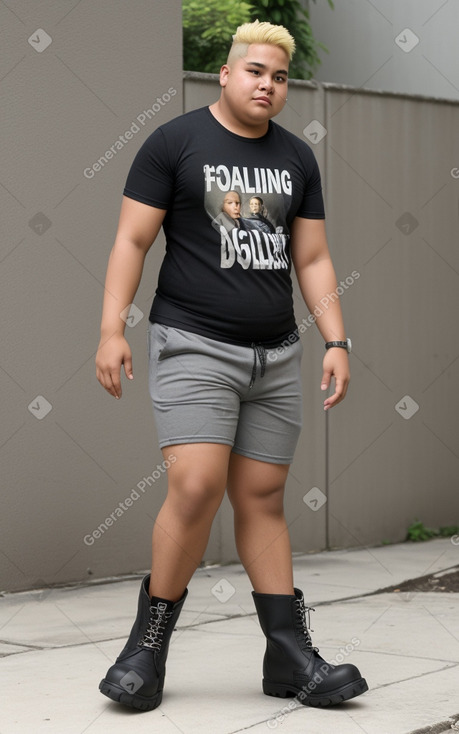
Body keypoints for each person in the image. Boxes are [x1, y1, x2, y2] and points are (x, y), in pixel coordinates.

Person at [95, 19, 368, 712]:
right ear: (224, 73)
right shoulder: (175, 143)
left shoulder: (297, 159)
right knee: (195, 486)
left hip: (275, 354)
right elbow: (132, 239)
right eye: (254, 71)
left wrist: (335, 341)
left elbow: (310, 258)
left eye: (278, 77)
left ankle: (288, 657)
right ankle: (145, 646)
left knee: (263, 498)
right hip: (191, 342)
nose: (266, 85)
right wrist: (111, 329)